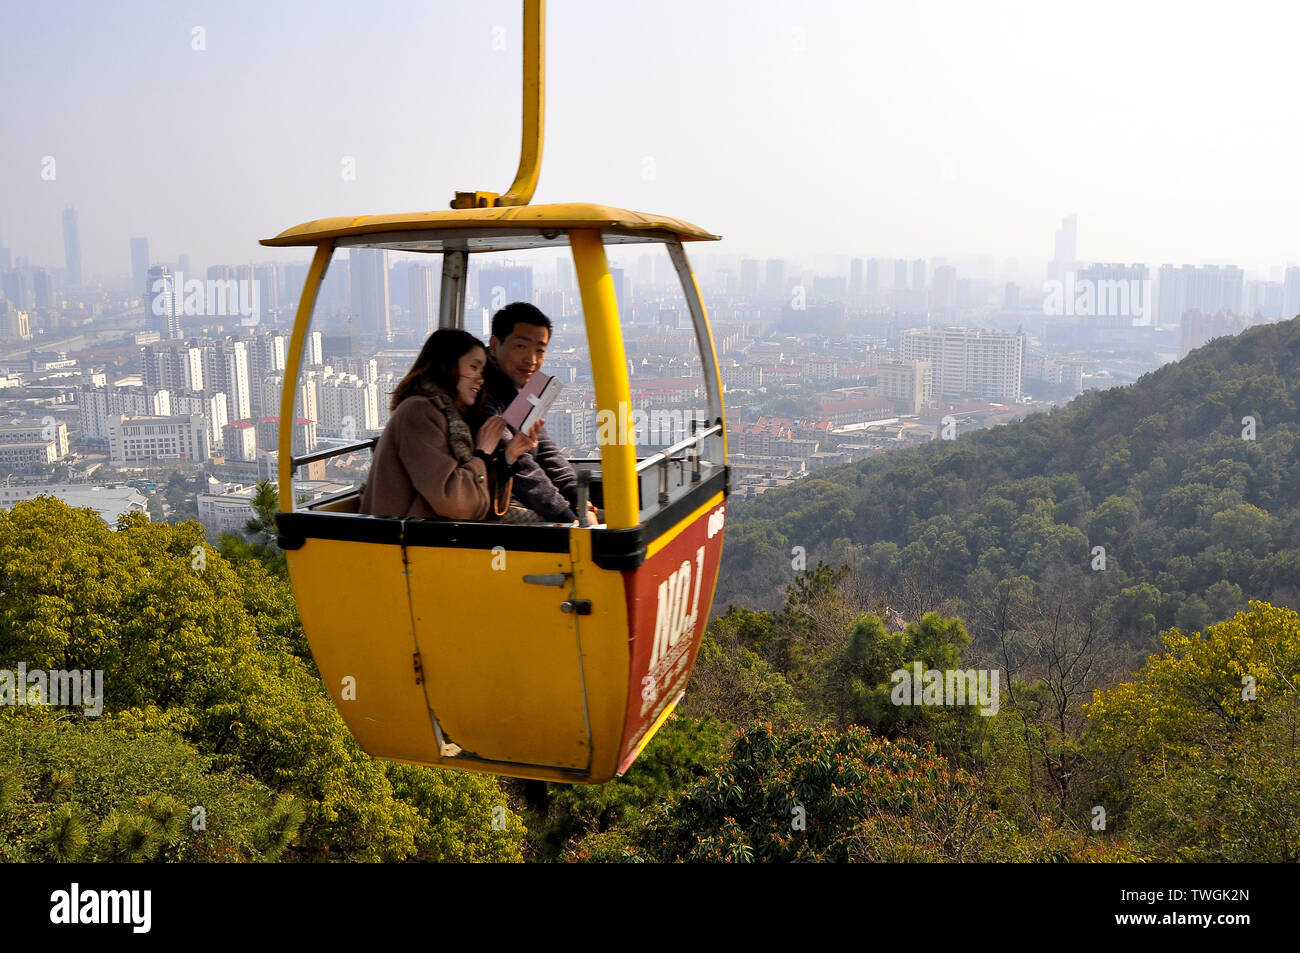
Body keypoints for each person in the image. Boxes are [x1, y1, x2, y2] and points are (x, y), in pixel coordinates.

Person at [359, 328, 540, 520]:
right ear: (448, 366)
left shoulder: (449, 416)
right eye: (473, 367)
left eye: (482, 371)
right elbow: (456, 504)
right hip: (408, 543)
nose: (480, 380)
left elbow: (476, 499)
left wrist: (509, 456)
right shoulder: (419, 412)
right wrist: (482, 454)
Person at [483, 302, 600, 525]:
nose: (532, 360)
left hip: (522, 498)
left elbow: (548, 454)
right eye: (520, 347)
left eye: (540, 350)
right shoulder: (483, 394)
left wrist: (583, 504)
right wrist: (569, 517)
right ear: (494, 344)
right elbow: (522, 469)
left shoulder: (520, 391)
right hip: (499, 507)